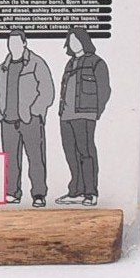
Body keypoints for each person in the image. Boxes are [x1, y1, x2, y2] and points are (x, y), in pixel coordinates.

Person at [0, 27, 54, 206]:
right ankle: (12, 192)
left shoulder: (36, 63)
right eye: (10, 42)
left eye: (17, 42)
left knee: (36, 158)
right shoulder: (2, 68)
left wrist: (35, 111)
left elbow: (47, 91)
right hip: (8, 122)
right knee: (10, 160)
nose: (13, 46)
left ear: (24, 43)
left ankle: (39, 195)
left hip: (30, 121)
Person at [55, 26, 111, 206]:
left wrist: (95, 112)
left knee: (86, 153)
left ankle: (90, 193)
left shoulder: (97, 62)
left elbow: (104, 90)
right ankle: (76, 191)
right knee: (71, 154)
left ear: (84, 41)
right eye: (70, 41)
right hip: (66, 117)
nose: (73, 43)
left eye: (76, 39)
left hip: (85, 115)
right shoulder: (70, 64)